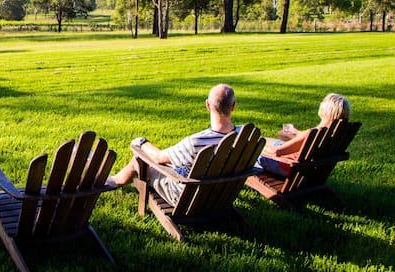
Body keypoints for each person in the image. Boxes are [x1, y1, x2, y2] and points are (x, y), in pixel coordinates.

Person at [106, 83, 239, 207]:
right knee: (174, 162)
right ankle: (117, 179)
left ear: (208, 105)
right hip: (221, 196)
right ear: (233, 106)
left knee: (139, 160)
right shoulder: (245, 137)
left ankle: (116, 181)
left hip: (187, 198)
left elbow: (158, 157)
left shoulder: (196, 143)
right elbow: (259, 159)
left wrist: (141, 143)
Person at [258, 93, 351, 176]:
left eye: (322, 102)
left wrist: (256, 147)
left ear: (326, 110)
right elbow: (306, 138)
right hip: (310, 169)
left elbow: (276, 152)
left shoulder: (312, 133)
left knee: (251, 146)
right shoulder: (336, 133)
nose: (320, 104)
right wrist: (296, 132)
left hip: (287, 166)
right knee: (265, 139)